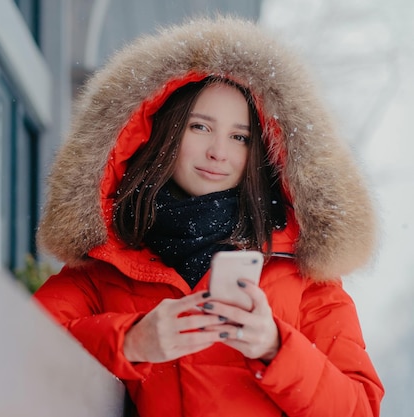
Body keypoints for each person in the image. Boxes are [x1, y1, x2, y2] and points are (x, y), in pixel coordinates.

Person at [33, 17, 384, 417]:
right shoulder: (106, 266)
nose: (219, 152)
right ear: (160, 134)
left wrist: (276, 348)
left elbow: (360, 408)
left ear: (262, 152)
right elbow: (25, 345)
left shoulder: (304, 278)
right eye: (200, 127)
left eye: (240, 137)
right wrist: (129, 342)